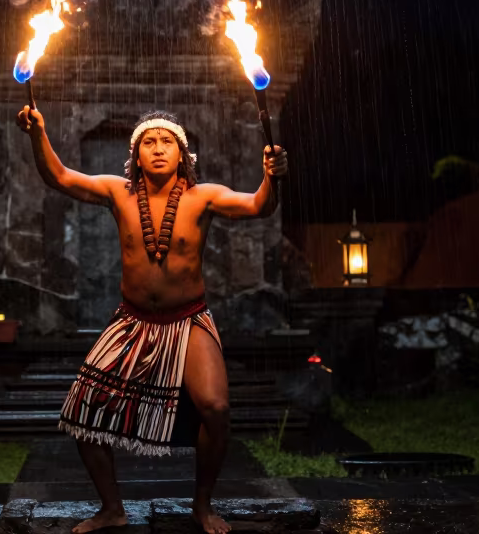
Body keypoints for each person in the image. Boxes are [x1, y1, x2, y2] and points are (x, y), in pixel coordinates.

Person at [16, 106, 288, 534]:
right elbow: (62, 177)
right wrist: (38, 135)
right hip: (132, 321)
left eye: (167, 142)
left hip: (189, 319)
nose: (158, 149)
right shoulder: (118, 192)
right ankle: (112, 509)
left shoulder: (204, 196)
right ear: (135, 154)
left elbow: (259, 206)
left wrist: (272, 177)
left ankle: (202, 504)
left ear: (182, 154)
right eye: (149, 142)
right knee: (83, 413)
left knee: (216, 408)